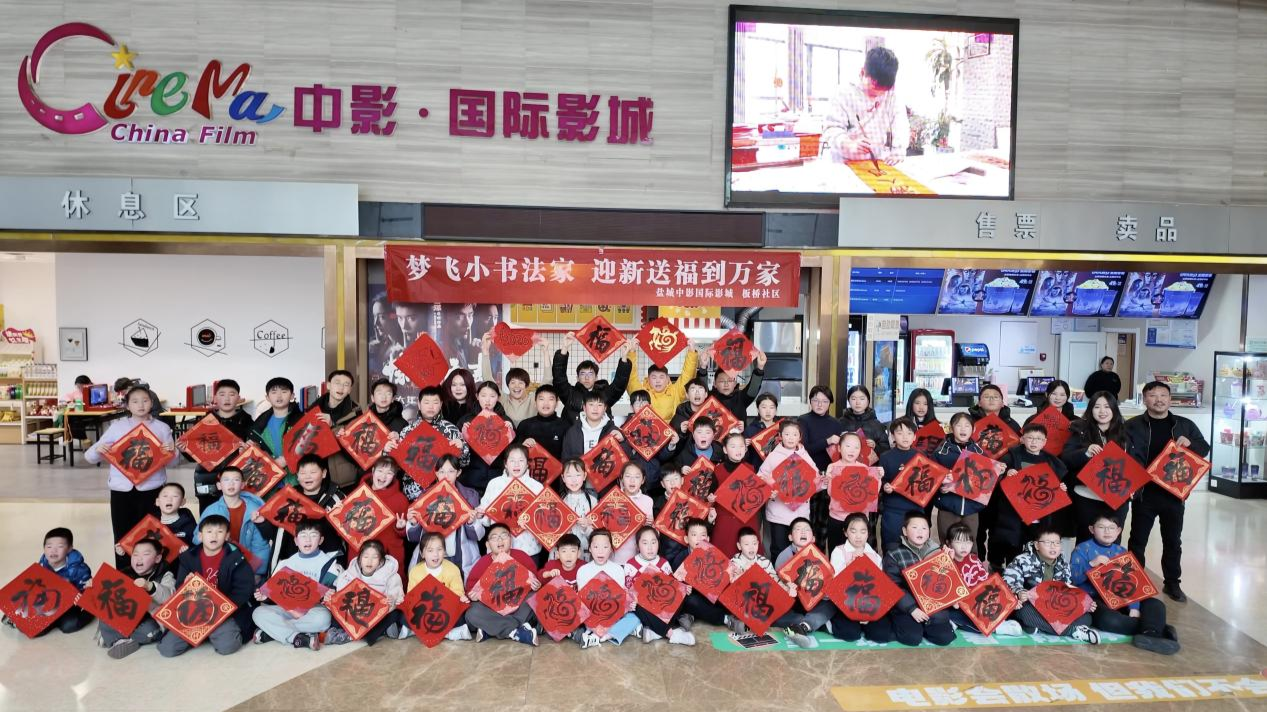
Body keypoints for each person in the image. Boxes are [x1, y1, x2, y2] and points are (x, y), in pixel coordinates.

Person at [1124, 381, 1210, 603]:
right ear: (1145, 399)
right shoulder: (1132, 425)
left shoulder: (1184, 425)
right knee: (1137, 540)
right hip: (1144, 493)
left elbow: (1204, 448)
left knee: (1172, 541)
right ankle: (1134, 582)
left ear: (1170, 399)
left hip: (1174, 494)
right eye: (1153, 395)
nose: (1159, 400)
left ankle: (1172, 583)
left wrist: (1190, 444)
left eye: (1163, 395)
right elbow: (1122, 455)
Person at [85, 385, 178, 568]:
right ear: (127, 405)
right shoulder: (117, 427)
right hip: (122, 492)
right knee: (122, 537)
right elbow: (90, 457)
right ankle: (125, 574)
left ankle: (152, 574)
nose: (141, 405)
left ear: (152, 403)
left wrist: (172, 452)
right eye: (135, 401)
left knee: (151, 536)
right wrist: (99, 450)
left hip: (152, 491)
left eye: (145, 400)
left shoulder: (162, 428)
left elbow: (173, 463)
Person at [1071, 514, 1179, 655]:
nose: (1107, 531)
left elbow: (1132, 582)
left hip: (1121, 597)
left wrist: (1134, 607)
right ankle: (1156, 630)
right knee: (1109, 620)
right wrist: (1091, 564)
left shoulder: (1121, 551)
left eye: (1112, 528)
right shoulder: (1081, 549)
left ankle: (1150, 634)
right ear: (1092, 529)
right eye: (1101, 527)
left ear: (1118, 531)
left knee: (1156, 604)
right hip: (1095, 599)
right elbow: (1073, 579)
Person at [158, 515, 254, 657]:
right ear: (200, 536)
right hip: (194, 610)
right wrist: (186, 586)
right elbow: (179, 588)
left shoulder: (236, 557)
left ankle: (210, 633)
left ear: (227, 536)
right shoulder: (188, 557)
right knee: (168, 649)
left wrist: (221, 607)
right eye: (209, 531)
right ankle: (203, 633)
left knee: (228, 646)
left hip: (222, 612)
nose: (214, 535)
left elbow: (244, 589)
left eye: (220, 532)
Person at [250, 519, 344, 650]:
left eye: (313, 535)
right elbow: (275, 593)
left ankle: (272, 632)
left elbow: (338, 594)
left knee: (323, 619)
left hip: (314, 610)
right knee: (258, 613)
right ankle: (297, 637)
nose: (308, 540)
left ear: (321, 540)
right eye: (303, 535)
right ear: (296, 541)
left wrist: (331, 594)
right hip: (287, 609)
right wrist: (265, 597)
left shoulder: (331, 564)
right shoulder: (285, 564)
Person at [1002, 526, 1100, 644]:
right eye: (1048, 543)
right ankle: (1073, 631)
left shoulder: (1063, 563)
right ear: (1037, 545)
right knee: (1024, 612)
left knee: (1087, 617)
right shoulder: (1022, 560)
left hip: (1054, 608)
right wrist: (1019, 592)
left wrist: (1084, 604)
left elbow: (1068, 590)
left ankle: (1036, 626)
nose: (1053, 546)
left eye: (1057, 543)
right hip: (1031, 605)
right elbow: (1008, 582)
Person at [1061, 392, 1132, 543]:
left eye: (1107, 406)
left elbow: (1135, 464)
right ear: (1091, 410)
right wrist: (1085, 452)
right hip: (1087, 498)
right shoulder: (1080, 430)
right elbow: (1066, 459)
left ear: (1114, 409)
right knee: (1085, 542)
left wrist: (1134, 489)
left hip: (1117, 499)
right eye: (1097, 407)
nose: (1102, 411)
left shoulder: (1125, 432)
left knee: (1112, 543)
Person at [253, 455, 346, 570]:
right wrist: (262, 523)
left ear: (324, 473)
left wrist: (338, 516)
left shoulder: (337, 499)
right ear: (297, 476)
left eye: (313, 472)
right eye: (302, 473)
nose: (307, 476)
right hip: (292, 562)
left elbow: (348, 533)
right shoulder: (286, 498)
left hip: (327, 561)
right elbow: (275, 534)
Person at [821, 46, 909, 164]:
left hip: (877, 159)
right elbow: (831, 128)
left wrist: (898, 151)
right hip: (845, 161)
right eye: (874, 89)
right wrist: (849, 144)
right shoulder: (843, 93)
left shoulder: (892, 93)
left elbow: (900, 123)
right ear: (862, 73)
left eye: (883, 91)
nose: (878, 95)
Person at [404, 455, 483, 579]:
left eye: (451, 471)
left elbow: (477, 536)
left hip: (460, 555)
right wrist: (414, 523)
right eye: (442, 471)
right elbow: (413, 538)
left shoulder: (470, 496)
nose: (446, 476)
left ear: (458, 472)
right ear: (436, 473)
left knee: (457, 586)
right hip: (431, 554)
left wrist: (471, 522)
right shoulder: (426, 496)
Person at [182, 379, 254, 512]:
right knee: (208, 513)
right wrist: (184, 449)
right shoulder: (205, 420)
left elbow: (253, 453)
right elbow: (192, 456)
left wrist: (247, 450)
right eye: (222, 394)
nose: (227, 398)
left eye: (232, 394)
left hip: (234, 477)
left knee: (235, 512)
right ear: (215, 398)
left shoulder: (246, 421)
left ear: (238, 398)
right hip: (206, 476)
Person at [884, 511, 954, 647]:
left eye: (924, 528)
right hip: (907, 607)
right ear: (905, 531)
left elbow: (946, 582)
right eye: (915, 527)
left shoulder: (938, 552)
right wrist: (912, 609)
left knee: (945, 638)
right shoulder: (894, 554)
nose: (920, 531)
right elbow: (893, 586)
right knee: (912, 638)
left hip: (932, 605)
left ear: (929, 532)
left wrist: (949, 562)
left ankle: (925, 626)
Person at [6, 528, 94, 635]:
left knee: (69, 625)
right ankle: (19, 618)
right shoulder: (42, 564)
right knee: (33, 628)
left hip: (70, 605)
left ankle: (90, 613)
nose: (53, 551)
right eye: (49, 547)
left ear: (69, 549)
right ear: (44, 548)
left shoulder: (78, 568)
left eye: (60, 546)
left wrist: (82, 596)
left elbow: (87, 590)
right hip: (49, 603)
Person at [464, 523, 541, 645]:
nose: (500, 540)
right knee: (471, 612)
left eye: (504, 536)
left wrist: (536, 585)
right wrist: (473, 595)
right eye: (494, 537)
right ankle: (516, 631)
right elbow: (470, 589)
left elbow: (534, 579)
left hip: (517, 607)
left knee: (536, 597)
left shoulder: (521, 556)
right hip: (492, 610)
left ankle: (491, 629)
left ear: (511, 540)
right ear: (488, 545)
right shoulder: (482, 562)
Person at [96, 537, 174, 658]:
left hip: (149, 619)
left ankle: (117, 638)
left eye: (145, 554)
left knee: (151, 632)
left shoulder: (165, 574)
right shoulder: (125, 573)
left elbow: (170, 596)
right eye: (135, 555)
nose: (139, 558)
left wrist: (149, 586)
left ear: (157, 558)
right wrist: (93, 586)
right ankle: (119, 639)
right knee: (105, 609)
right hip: (127, 616)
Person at [942, 522, 1023, 637]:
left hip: (976, 603)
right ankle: (996, 627)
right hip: (956, 606)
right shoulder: (943, 560)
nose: (964, 546)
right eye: (958, 542)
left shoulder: (974, 559)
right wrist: (948, 561)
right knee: (971, 620)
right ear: (948, 543)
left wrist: (1010, 598)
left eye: (968, 542)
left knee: (999, 605)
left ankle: (958, 622)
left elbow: (988, 582)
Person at [827, 513, 894, 644]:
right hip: (846, 601)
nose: (858, 536)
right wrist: (850, 566)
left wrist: (868, 612)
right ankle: (830, 623)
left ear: (868, 533)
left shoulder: (874, 555)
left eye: (863, 531)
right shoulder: (839, 551)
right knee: (850, 634)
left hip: (869, 602)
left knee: (880, 635)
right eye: (853, 531)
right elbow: (835, 584)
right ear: (845, 533)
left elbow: (879, 586)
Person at [324, 540, 406, 646]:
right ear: (359, 559)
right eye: (366, 557)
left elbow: (397, 599)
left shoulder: (391, 575)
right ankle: (380, 630)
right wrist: (330, 596)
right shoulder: (349, 574)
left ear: (381, 561)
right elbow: (341, 597)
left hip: (376, 614)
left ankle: (350, 635)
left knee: (395, 614)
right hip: (355, 612)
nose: (369, 561)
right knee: (334, 614)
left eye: (374, 557)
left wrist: (391, 599)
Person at [772, 518, 837, 649]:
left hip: (813, 600)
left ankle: (801, 626)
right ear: (790, 537)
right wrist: (786, 588)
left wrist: (825, 593)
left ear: (813, 538)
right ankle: (812, 623)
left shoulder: (819, 556)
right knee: (774, 611)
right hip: (793, 602)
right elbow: (777, 590)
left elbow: (825, 586)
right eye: (798, 529)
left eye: (807, 530)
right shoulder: (784, 556)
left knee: (831, 603)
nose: (803, 532)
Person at [758, 419, 817, 561]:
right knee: (778, 548)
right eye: (787, 434)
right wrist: (770, 489)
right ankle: (777, 574)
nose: (791, 438)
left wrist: (822, 482)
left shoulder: (805, 455)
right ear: (780, 436)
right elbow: (760, 477)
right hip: (778, 512)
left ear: (800, 437)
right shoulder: (773, 456)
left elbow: (815, 479)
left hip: (800, 512)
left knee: (800, 549)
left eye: (795, 434)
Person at [628, 527, 696, 645]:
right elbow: (629, 592)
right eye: (645, 543)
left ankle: (655, 633)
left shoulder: (664, 563)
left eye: (653, 542)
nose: (650, 547)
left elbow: (673, 586)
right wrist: (632, 600)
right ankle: (671, 634)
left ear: (658, 544)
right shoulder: (631, 565)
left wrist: (683, 588)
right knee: (637, 605)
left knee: (680, 595)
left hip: (662, 606)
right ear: (637, 546)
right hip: (645, 609)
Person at [476, 445, 545, 561]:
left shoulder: (536, 487)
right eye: (512, 460)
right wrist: (481, 515)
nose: (516, 464)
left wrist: (531, 523)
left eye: (521, 460)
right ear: (506, 463)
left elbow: (543, 521)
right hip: (499, 550)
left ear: (527, 464)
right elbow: (486, 520)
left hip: (529, 549)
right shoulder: (494, 484)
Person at [198, 467, 270, 577]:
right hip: (217, 566)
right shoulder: (211, 511)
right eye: (226, 480)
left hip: (247, 564)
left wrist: (258, 573)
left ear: (242, 485)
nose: (231, 484)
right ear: (219, 485)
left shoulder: (254, 511)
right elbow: (198, 538)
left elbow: (260, 545)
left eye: (236, 480)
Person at [576, 529, 641, 647]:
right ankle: (611, 632)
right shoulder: (583, 570)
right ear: (590, 548)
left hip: (612, 614)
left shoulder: (618, 569)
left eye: (605, 547)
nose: (600, 551)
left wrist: (630, 603)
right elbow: (582, 603)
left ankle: (602, 636)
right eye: (596, 547)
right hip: (592, 615)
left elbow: (621, 599)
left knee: (636, 616)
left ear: (611, 549)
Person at [932, 413, 988, 548]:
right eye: (959, 425)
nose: (963, 429)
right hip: (948, 506)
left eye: (967, 426)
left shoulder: (980, 453)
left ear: (973, 429)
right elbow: (932, 478)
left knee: (970, 544)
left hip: (971, 507)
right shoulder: (941, 452)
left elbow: (987, 481)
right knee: (947, 543)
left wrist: (1000, 472)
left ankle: (971, 562)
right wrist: (941, 487)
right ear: (951, 428)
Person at [406, 532, 472, 642]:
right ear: (422, 554)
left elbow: (458, 592)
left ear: (444, 552)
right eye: (430, 550)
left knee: (461, 614)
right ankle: (447, 632)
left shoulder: (452, 569)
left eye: (439, 549)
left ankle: (427, 631)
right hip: (425, 612)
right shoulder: (415, 571)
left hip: (445, 610)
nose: (435, 554)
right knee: (404, 615)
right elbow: (411, 597)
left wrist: (461, 598)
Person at [552, 333, 633, 421]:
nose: (587, 377)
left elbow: (619, 385)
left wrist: (624, 357)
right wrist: (564, 348)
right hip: (573, 430)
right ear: (577, 378)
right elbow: (559, 378)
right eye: (583, 374)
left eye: (590, 374)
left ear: (596, 378)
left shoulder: (605, 395)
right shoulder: (570, 395)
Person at [823, 431, 883, 551]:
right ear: (839, 448)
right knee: (836, 552)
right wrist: (828, 479)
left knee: (858, 554)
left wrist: (879, 478)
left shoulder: (864, 468)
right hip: (837, 518)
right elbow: (831, 493)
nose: (852, 450)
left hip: (859, 520)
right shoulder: (833, 467)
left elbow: (872, 493)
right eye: (848, 446)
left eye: (856, 447)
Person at [670, 519, 733, 629]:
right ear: (686, 539)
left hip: (710, 595)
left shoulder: (714, 554)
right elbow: (675, 586)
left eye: (702, 535)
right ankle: (725, 619)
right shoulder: (680, 558)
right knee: (690, 601)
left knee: (727, 594)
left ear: (708, 539)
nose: (699, 538)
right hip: (693, 598)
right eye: (694, 535)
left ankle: (692, 616)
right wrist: (683, 587)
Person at [355, 457, 409, 579]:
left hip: (388, 553)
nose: (383, 476)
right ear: (373, 470)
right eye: (380, 471)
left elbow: (405, 534)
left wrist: (401, 528)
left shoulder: (400, 500)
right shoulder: (359, 493)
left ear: (394, 476)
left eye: (389, 473)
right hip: (362, 550)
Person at [456, 381, 516, 493]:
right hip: (470, 479)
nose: (487, 400)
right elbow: (457, 452)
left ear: (498, 397)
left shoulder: (505, 421)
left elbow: (513, 452)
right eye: (483, 395)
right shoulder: (466, 420)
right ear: (477, 396)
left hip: (498, 479)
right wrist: (463, 436)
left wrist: (511, 434)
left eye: (492, 396)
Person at [310, 370, 362, 492]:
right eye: (337, 383)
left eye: (346, 384)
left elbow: (357, 450)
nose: (341, 387)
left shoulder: (356, 412)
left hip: (343, 477)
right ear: (328, 385)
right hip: (316, 475)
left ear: (350, 389)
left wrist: (332, 425)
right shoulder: (312, 409)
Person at [395, 386, 471, 470]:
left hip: (443, 477)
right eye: (426, 402)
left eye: (435, 402)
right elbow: (399, 464)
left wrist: (462, 448)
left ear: (441, 404)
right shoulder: (408, 431)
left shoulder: (451, 429)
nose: (431, 406)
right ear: (419, 405)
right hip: (413, 478)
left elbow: (464, 463)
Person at [712, 432, 760, 558]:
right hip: (725, 521)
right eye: (733, 446)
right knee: (723, 556)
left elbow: (758, 495)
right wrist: (710, 499)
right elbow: (710, 497)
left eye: (741, 446)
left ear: (746, 448)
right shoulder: (717, 470)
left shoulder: (751, 469)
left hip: (747, 520)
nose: (738, 450)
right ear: (725, 450)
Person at [626, 341, 699, 421]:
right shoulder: (641, 393)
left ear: (667, 379)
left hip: (671, 428)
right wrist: (631, 353)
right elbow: (631, 378)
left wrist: (691, 353)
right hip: (645, 428)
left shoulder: (675, 392)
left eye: (661, 377)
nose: (658, 381)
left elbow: (687, 376)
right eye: (654, 377)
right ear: (648, 379)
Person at [877, 417, 921, 551]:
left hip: (915, 508)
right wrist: (885, 486)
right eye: (900, 433)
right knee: (891, 545)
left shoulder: (921, 456)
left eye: (909, 433)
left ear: (914, 436)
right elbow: (881, 480)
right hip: (892, 508)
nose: (905, 437)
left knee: (916, 546)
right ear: (893, 436)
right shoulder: (885, 457)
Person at [479, 335, 540, 426]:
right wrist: (485, 351)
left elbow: (548, 382)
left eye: (521, 383)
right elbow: (487, 378)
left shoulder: (533, 399)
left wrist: (546, 352)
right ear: (508, 385)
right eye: (513, 382)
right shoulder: (503, 399)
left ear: (526, 385)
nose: (516, 386)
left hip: (530, 435)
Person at [248, 377, 303, 474]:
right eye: (274, 392)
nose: (279, 396)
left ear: (292, 396)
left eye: (284, 391)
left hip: (298, 476)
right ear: (267, 398)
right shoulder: (260, 422)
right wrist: (251, 448)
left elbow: (311, 446)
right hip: (270, 476)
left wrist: (287, 459)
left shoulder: (301, 419)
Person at [703, 346, 767, 423]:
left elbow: (753, 388)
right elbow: (702, 388)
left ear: (735, 383)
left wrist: (760, 368)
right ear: (714, 384)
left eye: (730, 381)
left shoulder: (741, 398)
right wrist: (703, 367)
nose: (726, 384)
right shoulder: (709, 398)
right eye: (722, 381)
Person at [608, 463, 655, 564]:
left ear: (643, 480)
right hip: (612, 556)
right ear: (621, 479)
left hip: (637, 557)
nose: (632, 480)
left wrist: (650, 524)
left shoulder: (648, 501)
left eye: (637, 477)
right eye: (628, 476)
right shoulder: (612, 498)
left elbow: (649, 532)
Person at [561, 391, 620, 462]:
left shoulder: (613, 431)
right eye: (591, 404)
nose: (595, 409)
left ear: (605, 408)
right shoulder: (572, 432)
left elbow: (621, 458)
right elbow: (565, 459)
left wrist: (623, 439)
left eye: (599, 405)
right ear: (584, 408)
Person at [515, 385, 569, 460]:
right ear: (535, 403)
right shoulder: (524, 425)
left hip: (558, 467)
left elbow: (569, 456)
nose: (546, 403)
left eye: (551, 399)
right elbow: (515, 453)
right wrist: (522, 446)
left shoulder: (566, 426)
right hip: (530, 467)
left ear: (556, 403)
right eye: (541, 399)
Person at [556, 460, 597, 559]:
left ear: (584, 476)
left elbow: (597, 534)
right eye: (569, 476)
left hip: (586, 553)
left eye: (578, 475)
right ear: (563, 478)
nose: (574, 480)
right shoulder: (558, 501)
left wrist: (586, 527)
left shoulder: (592, 501)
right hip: (565, 555)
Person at [839, 386, 889, 460]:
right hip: (845, 465)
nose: (858, 402)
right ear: (849, 401)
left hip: (868, 466)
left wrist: (875, 446)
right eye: (853, 399)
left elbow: (886, 449)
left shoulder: (877, 424)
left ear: (868, 401)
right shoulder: (840, 422)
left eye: (862, 399)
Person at [799, 386, 841, 471]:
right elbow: (803, 449)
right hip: (809, 469)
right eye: (815, 400)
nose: (820, 404)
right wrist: (827, 441)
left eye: (825, 401)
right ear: (810, 401)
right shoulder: (803, 420)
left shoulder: (836, 423)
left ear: (830, 403)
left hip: (831, 470)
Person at [154, 481, 197, 547]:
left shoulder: (188, 525)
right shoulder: (151, 523)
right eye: (165, 496)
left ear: (182, 502)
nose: (169, 499)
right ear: (157, 502)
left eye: (175, 496)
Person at [743, 392, 780, 465]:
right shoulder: (750, 430)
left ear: (776, 410)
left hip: (779, 467)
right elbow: (746, 457)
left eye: (771, 407)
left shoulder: (782, 428)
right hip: (757, 468)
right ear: (758, 409)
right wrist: (743, 446)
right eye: (764, 407)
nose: (768, 411)